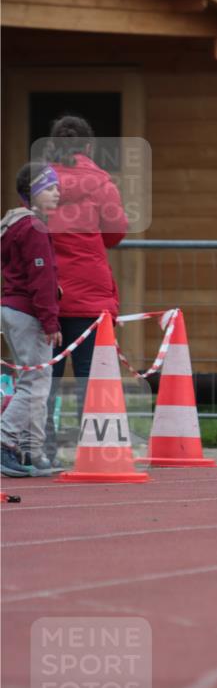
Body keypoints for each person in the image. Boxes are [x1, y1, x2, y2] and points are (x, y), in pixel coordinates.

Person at [43, 115, 128, 460]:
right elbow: (115, 233)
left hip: (46, 292)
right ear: (89, 147)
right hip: (89, 293)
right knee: (89, 376)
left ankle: (41, 450)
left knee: (43, 378)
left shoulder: (39, 182)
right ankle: (91, 451)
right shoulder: (102, 183)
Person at [1, 163, 62, 477]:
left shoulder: (12, 224)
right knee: (34, 385)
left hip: (12, 309)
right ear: (32, 193)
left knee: (37, 382)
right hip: (28, 313)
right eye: (49, 188)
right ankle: (4, 438)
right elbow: (41, 277)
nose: (57, 193)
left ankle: (32, 451)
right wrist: (50, 320)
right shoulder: (34, 227)